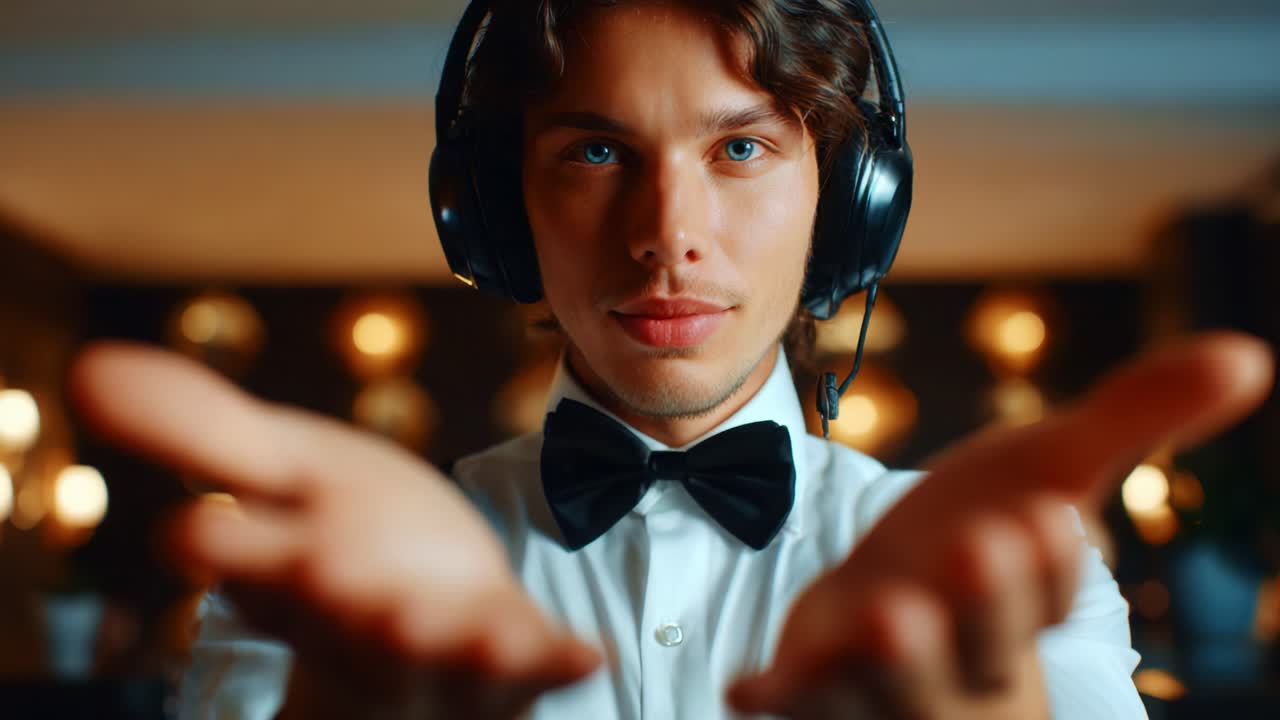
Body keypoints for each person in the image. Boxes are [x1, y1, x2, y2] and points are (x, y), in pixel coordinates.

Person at [66, 1, 1274, 719]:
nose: (664, 233)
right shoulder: (322, 587)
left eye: (740, 150)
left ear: (843, 209)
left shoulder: (1007, 578)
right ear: (496, 213)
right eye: (593, 154)